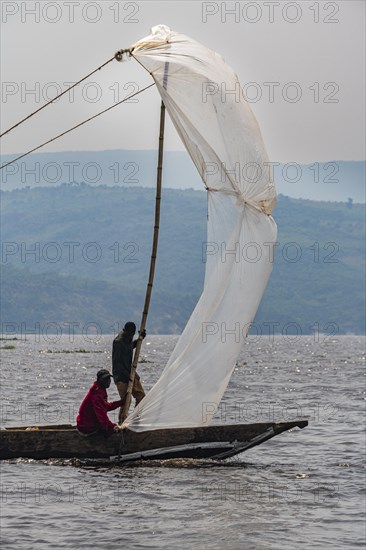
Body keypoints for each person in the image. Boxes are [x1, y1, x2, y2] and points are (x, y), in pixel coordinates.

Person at [112, 321, 146, 422]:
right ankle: (122, 422)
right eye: (130, 334)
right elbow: (117, 363)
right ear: (125, 331)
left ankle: (136, 420)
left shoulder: (128, 339)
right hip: (121, 376)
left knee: (141, 396)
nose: (131, 336)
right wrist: (128, 377)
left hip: (131, 372)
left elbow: (131, 346)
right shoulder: (118, 342)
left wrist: (140, 338)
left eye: (133, 334)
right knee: (126, 401)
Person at [76, 369, 122, 436]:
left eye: (109, 379)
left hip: (88, 424)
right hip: (86, 428)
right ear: (100, 380)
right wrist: (112, 427)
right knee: (108, 433)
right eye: (105, 379)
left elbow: (104, 406)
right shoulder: (96, 394)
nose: (108, 381)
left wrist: (120, 403)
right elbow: (101, 415)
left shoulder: (101, 390)